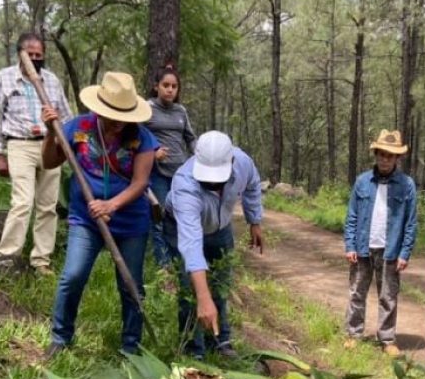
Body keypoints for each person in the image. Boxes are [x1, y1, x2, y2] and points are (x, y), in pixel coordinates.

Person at [40, 72, 157, 358]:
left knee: (130, 284)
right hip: (86, 218)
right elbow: (49, 161)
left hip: (130, 221)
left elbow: (140, 183)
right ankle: (60, 338)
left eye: (124, 117)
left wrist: (111, 205)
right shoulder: (78, 127)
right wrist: (50, 133)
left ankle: (131, 346)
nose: (119, 123)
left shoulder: (142, 138)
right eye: (113, 116)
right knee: (73, 275)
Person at [163, 131, 263, 360]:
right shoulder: (184, 185)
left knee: (220, 283)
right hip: (181, 228)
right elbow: (191, 245)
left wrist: (254, 221)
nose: (212, 183)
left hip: (220, 227)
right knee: (191, 289)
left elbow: (252, 185)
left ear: (232, 163)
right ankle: (193, 350)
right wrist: (203, 297)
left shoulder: (243, 163)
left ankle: (220, 341)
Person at [0, 32, 73, 275]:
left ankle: (41, 260)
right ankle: (7, 256)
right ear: (20, 54)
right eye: (30, 54)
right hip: (19, 144)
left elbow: (66, 115)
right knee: (22, 201)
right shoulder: (5, 78)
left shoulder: (52, 81)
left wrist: (68, 142)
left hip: (49, 144)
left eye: (39, 55)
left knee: (48, 205)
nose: (35, 58)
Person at [342, 130, 418, 358]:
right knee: (357, 292)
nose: (385, 159)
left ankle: (387, 339)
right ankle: (353, 334)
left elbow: (411, 222)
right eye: (382, 154)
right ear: (376, 154)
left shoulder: (406, 185)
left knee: (388, 296)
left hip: (390, 250)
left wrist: (405, 252)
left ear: (397, 158)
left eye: (390, 155)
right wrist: (350, 245)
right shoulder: (363, 181)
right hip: (362, 248)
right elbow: (352, 215)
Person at [144, 65, 196, 269]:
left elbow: (190, 138)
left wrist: (199, 155)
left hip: (180, 173)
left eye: (174, 86)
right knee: (159, 217)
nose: (170, 90)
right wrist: (152, 152)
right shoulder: (147, 108)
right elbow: (135, 138)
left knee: (180, 217)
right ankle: (164, 268)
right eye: (166, 85)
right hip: (156, 172)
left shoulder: (180, 111)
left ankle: (180, 263)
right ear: (156, 86)